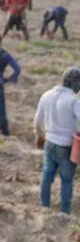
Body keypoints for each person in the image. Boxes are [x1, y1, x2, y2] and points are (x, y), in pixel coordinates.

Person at [34, 67, 80, 214]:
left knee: (47, 175)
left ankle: (44, 206)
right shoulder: (73, 100)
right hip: (66, 146)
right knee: (66, 180)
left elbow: (37, 121)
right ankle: (64, 212)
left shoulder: (47, 95)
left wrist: (39, 135)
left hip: (49, 142)